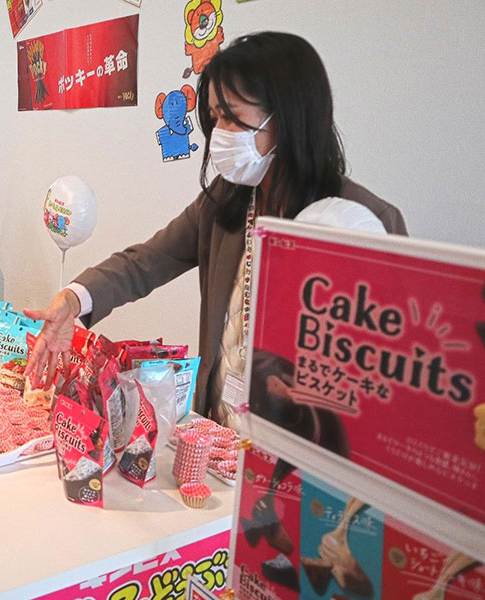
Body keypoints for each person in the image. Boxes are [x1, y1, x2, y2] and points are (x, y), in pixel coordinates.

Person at [25, 32, 408, 424]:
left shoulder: (366, 221)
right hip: (220, 432)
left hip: (305, 450)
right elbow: (145, 261)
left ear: (290, 117)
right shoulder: (227, 200)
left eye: (232, 116)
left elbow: (390, 371)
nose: (220, 132)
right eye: (215, 118)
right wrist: (74, 300)